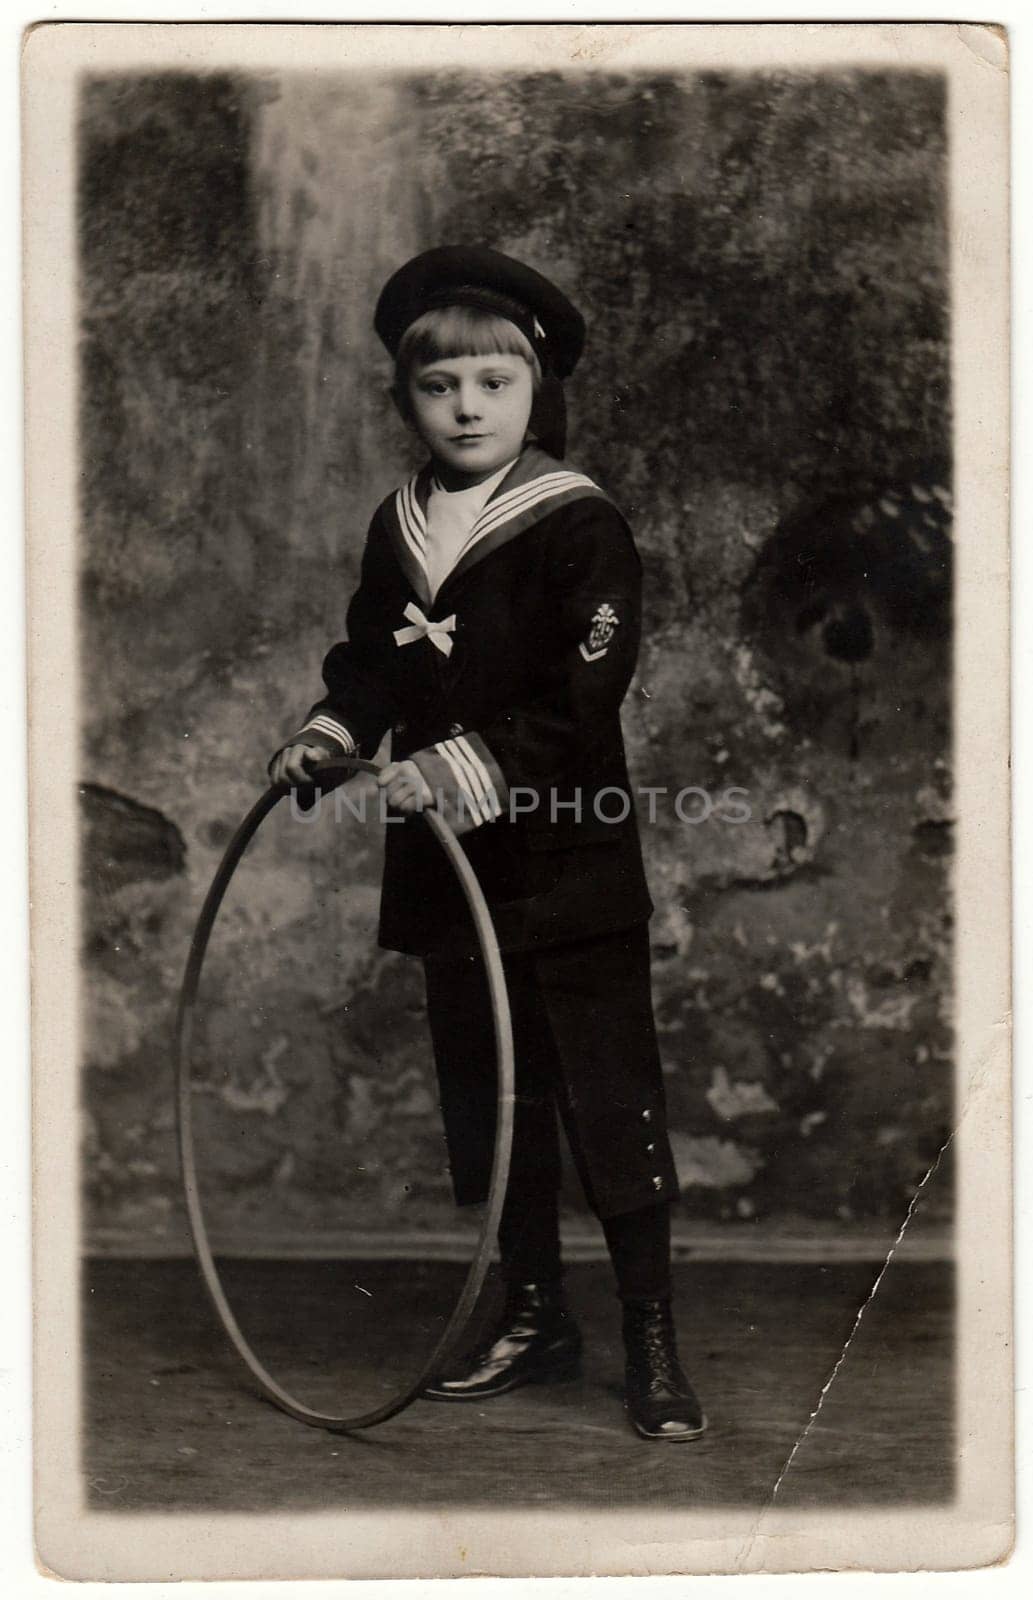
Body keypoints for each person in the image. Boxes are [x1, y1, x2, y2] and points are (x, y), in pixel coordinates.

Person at [269, 246, 705, 1441]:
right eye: (439, 386)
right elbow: (370, 659)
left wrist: (466, 765)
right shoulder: (399, 524)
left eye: (493, 384)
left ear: (534, 392)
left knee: (606, 1097)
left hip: (565, 854)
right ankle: (531, 1311)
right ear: (406, 398)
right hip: (452, 875)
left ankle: (653, 1333)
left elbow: (588, 689)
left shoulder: (575, 522)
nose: (466, 407)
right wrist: (328, 732)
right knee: (495, 1095)